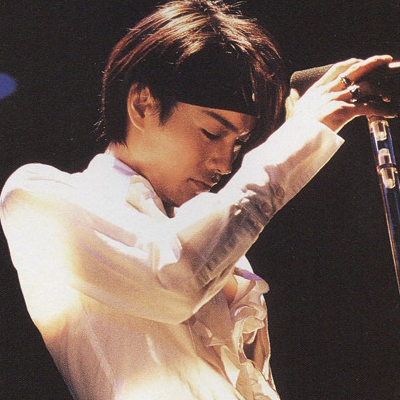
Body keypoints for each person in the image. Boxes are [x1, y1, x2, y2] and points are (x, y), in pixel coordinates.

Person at [0, 1, 396, 399]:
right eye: (211, 133)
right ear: (142, 104)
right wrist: (301, 136)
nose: (225, 163)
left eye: (238, 143)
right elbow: (172, 279)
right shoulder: (37, 197)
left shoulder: (205, 234)